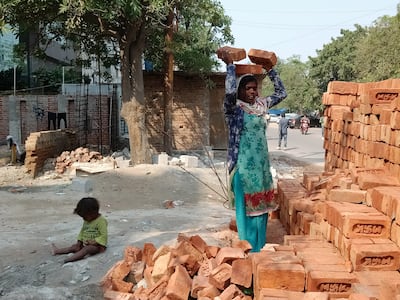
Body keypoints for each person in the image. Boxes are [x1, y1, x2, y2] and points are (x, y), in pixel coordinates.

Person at [220, 50, 287, 252]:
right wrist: (231, 66)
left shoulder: (261, 106)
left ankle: (260, 247)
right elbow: (230, 92)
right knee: (246, 209)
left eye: (255, 88)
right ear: (241, 91)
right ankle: (247, 248)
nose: (253, 92)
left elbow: (281, 93)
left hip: (261, 166)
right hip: (242, 165)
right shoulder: (234, 109)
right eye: (248, 89)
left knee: (261, 209)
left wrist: (270, 70)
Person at [51, 197, 108, 263]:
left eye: (84, 217)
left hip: (97, 246)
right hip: (85, 243)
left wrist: (95, 241)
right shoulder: (87, 220)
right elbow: (82, 231)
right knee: (74, 247)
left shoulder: (101, 221)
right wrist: (79, 242)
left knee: (87, 249)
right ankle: (56, 251)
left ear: (93, 213)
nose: (84, 219)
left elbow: (104, 235)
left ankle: (68, 260)